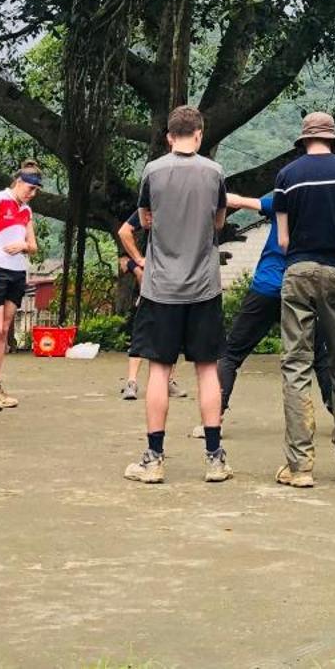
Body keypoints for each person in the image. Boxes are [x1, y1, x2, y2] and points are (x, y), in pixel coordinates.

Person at [124, 105, 230, 485]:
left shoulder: (153, 171)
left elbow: (145, 216)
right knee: (206, 370)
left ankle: (153, 459)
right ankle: (215, 459)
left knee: (159, 369)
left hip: (161, 287)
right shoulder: (214, 172)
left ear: (169, 136)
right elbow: (219, 220)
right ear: (199, 134)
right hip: (204, 285)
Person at [272, 111, 335, 488]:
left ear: (304, 139)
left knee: (296, 367)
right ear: (332, 139)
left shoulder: (287, 177)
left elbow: (282, 240)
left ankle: (300, 468)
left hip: (297, 272)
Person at [213, 191, 332, 419]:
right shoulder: (322, 213)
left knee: (231, 354)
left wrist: (208, 187)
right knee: (320, 355)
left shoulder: (283, 202)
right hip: (299, 290)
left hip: (265, 288)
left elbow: (236, 200)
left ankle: (214, 415)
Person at [0, 164, 43, 411]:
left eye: (36, 189)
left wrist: (22, 246)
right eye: (29, 187)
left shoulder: (26, 210)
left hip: (17, 271)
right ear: (18, 181)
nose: (31, 193)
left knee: (4, 330)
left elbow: (33, 245)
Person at [116, 209, 184, 404]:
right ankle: (131, 381)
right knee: (142, 332)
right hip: (152, 286)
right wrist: (138, 262)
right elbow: (123, 234)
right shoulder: (150, 208)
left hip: (174, 282)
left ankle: (168, 380)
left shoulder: (182, 211)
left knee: (172, 332)